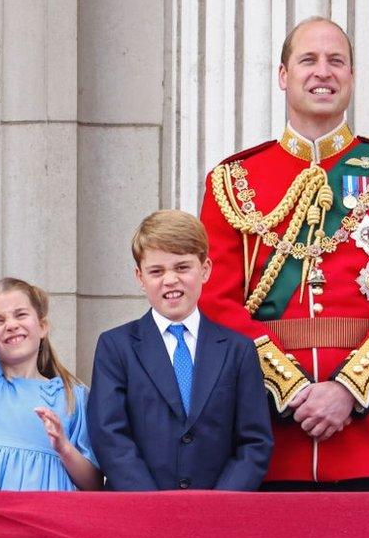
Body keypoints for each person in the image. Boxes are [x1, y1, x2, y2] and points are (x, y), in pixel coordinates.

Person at [199, 17, 369, 491]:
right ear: (284, 75)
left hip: (364, 439)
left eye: (336, 61)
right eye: (308, 60)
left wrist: (348, 391)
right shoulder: (232, 181)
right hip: (264, 438)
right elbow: (215, 300)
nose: (323, 72)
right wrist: (290, 391)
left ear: (351, 75)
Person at [88, 210, 273, 491]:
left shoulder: (238, 350)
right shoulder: (116, 347)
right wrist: (153, 506)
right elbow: (109, 435)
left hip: (217, 513)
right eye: (156, 271)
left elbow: (254, 441)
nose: (170, 280)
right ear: (140, 277)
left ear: (206, 269)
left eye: (182, 267)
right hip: (140, 511)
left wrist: (218, 504)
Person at [0, 197, 100, 491]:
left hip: (48, 522)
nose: (11, 324)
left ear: (43, 326)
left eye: (21, 315)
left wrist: (64, 447)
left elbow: (93, 484)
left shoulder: (73, 396)